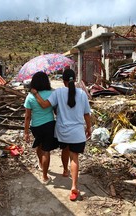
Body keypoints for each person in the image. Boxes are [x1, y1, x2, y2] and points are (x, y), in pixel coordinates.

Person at [31, 68, 92, 201]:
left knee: (65, 149)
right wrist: (89, 129)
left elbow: (44, 105)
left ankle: (65, 171)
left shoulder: (58, 92)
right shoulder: (82, 94)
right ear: (74, 80)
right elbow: (87, 114)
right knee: (74, 157)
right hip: (77, 133)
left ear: (63, 80)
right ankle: (74, 186)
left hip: (63, 132)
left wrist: (35, 94)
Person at [24, 71, 58, 184]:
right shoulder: (52, 94)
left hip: (36, 126)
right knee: (46, 150)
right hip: (49, 125)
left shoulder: (30, 96)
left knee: (39, 145)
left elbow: (28, 117)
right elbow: (56, 110)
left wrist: (26, 132)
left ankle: (41, 164)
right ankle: (45, 176)